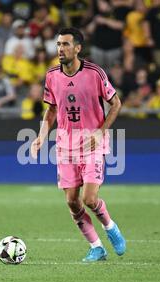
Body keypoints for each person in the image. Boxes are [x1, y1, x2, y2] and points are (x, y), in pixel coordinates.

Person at [30, 27, 126, 262]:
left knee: (90, 199)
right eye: (59, 44)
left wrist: (100, 133)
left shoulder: (95, 73)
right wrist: (41, 136)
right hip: (65, 146)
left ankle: (110, 226)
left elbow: (116, 104)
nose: (61, 49)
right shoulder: (52, 75)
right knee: (72, 202)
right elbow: (51, 110)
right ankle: (96, 247)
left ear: (78, 48)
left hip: (92, 144)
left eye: (65, 44)